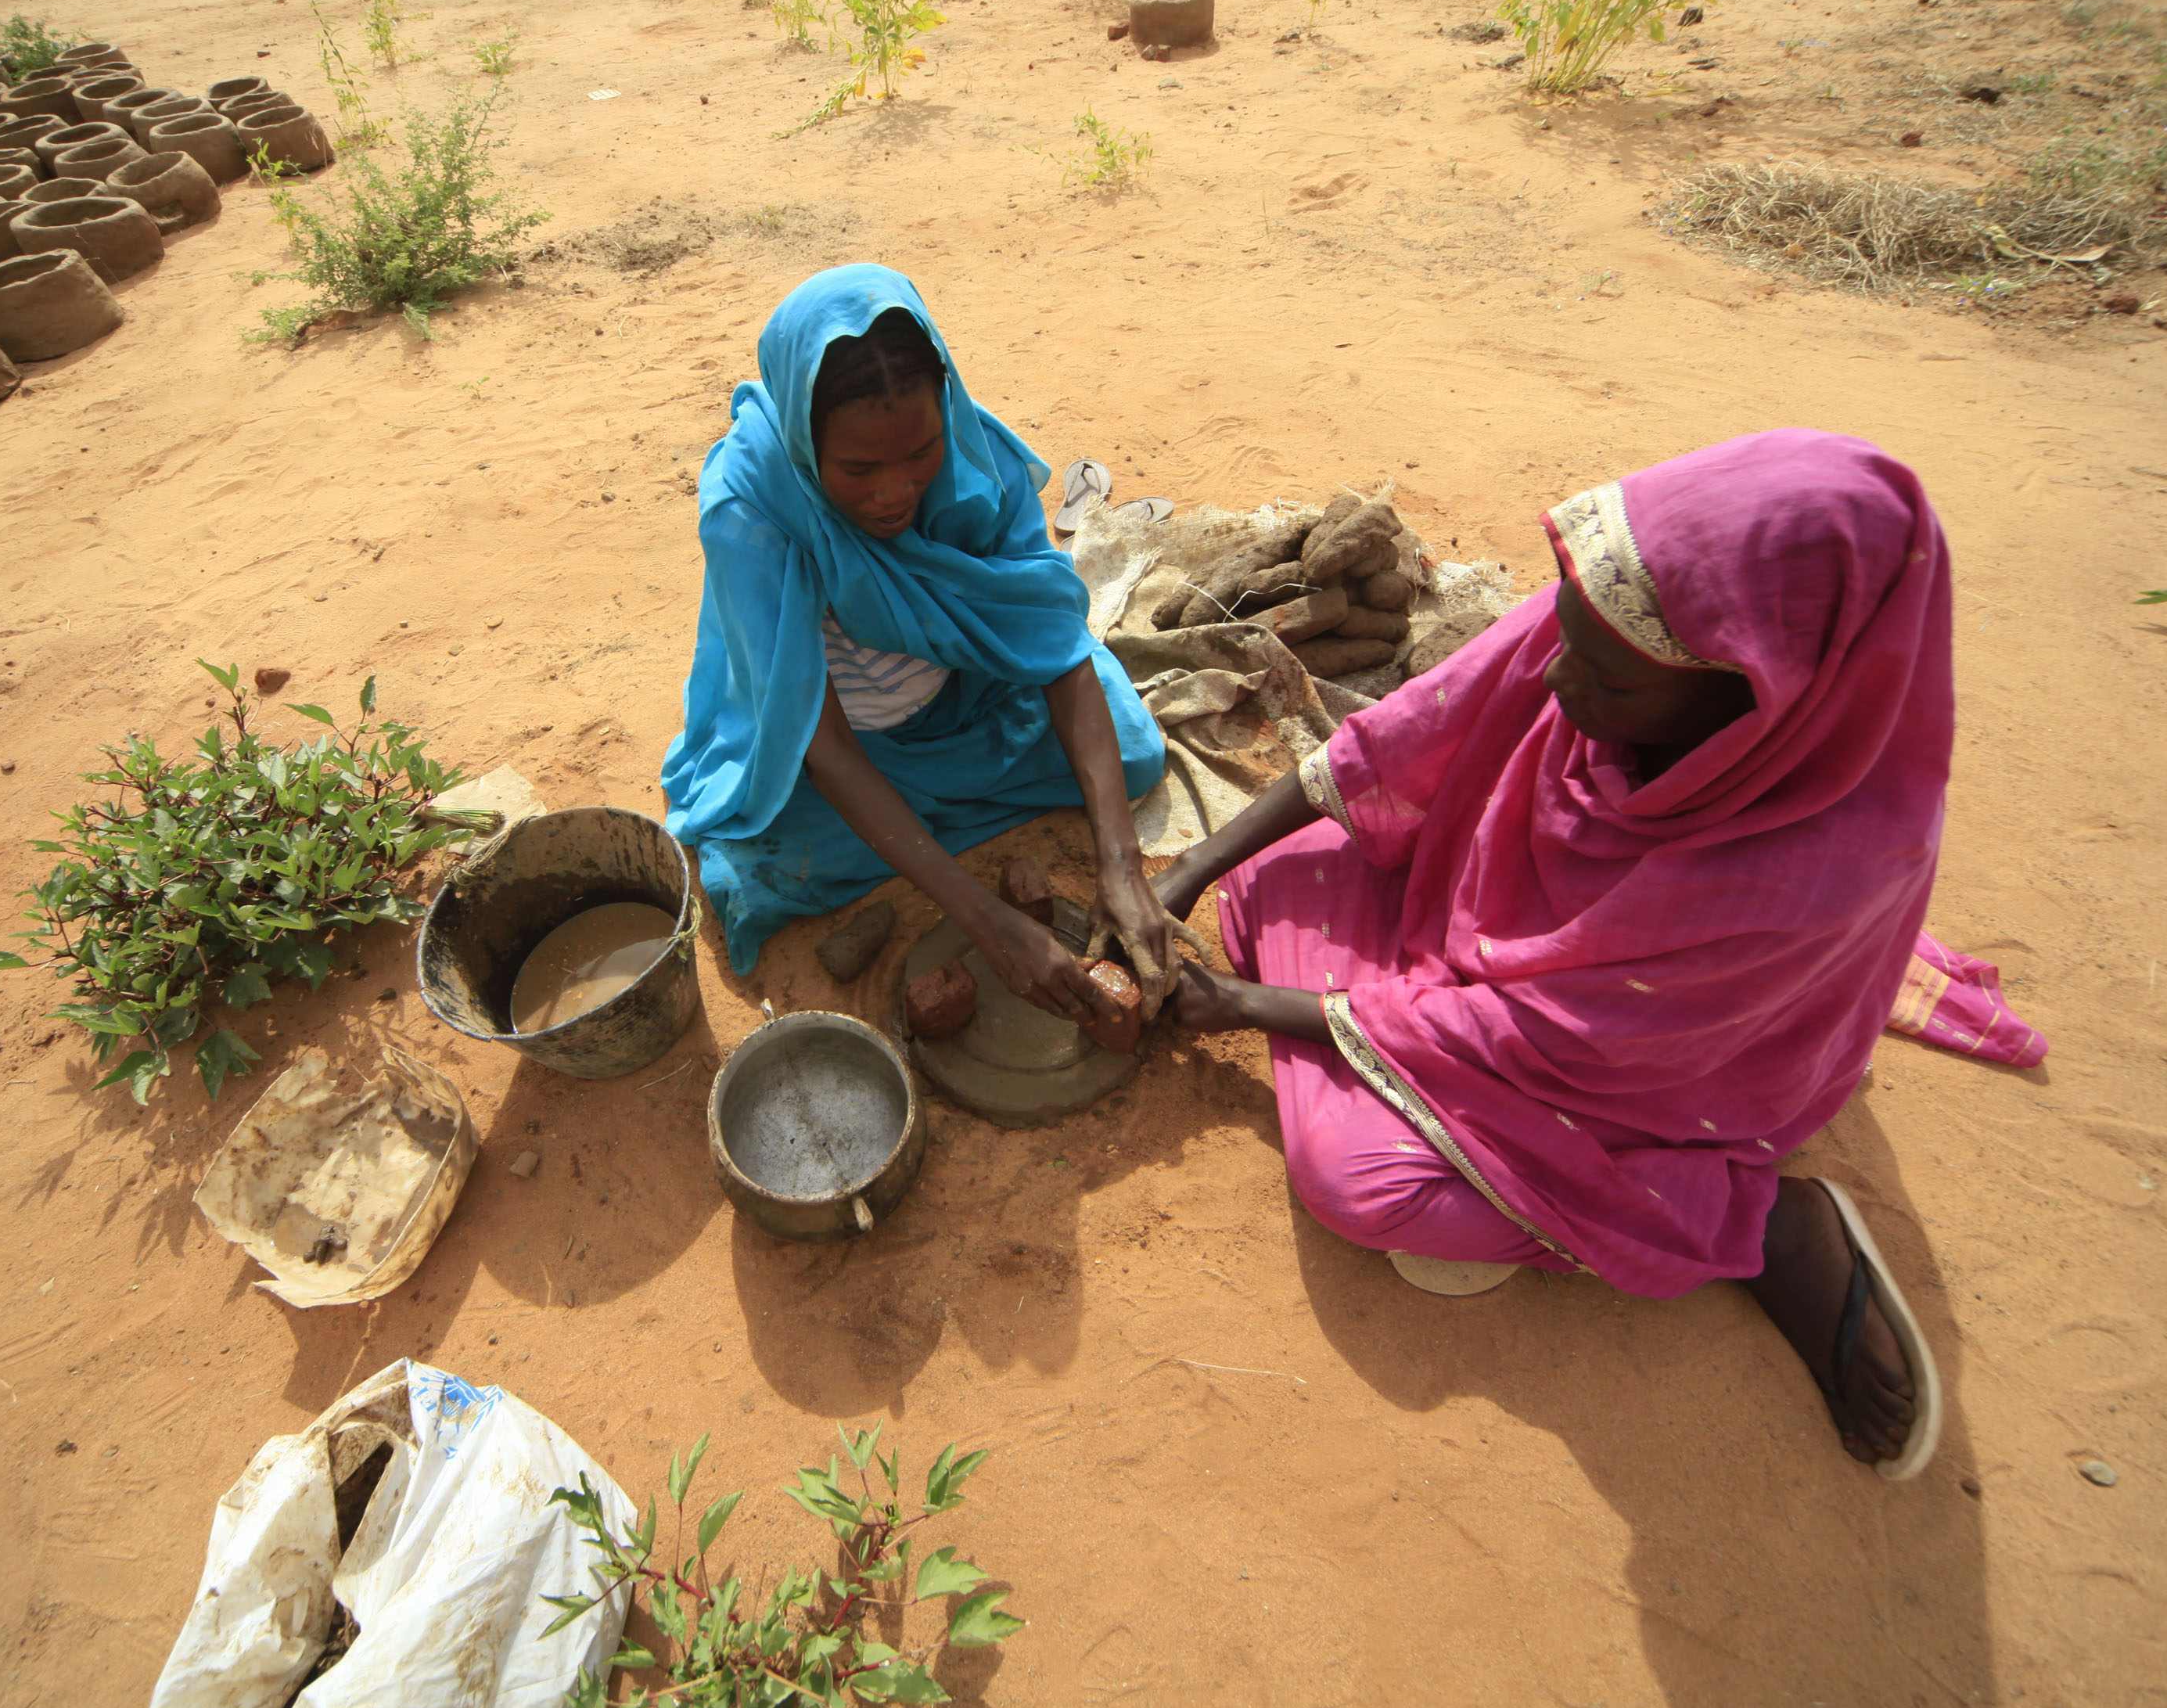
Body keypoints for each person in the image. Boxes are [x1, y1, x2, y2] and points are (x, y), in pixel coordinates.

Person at [1153, 429, 2006, 1481]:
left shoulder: (1813, 872)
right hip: (1502, 945)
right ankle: (1389, 1036)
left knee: (1357, 1181)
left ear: (1757, 701)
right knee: (1265, 878)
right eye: (1564, 638)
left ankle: (1753, 1224)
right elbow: (1409, 733)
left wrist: (1245, 1005)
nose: (1555, 680)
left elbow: (1548, 1035)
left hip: (1641, 1068)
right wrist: (1190, 865)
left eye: (1605, 679)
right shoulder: (1618, 627)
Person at [661, 265, 1172, 1015]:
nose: (896, 490)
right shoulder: (753, 504)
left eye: (918, 455)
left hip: (967, 693)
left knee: (1130, 753)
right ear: (807, 442)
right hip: (842, 747)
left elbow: (1052, 645)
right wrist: (984, 917)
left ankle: (934, 814)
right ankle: (932, 815)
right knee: (761, 874)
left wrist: (1123, 865)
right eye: (859, 469)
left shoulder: (971, 455)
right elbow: (823, 743)